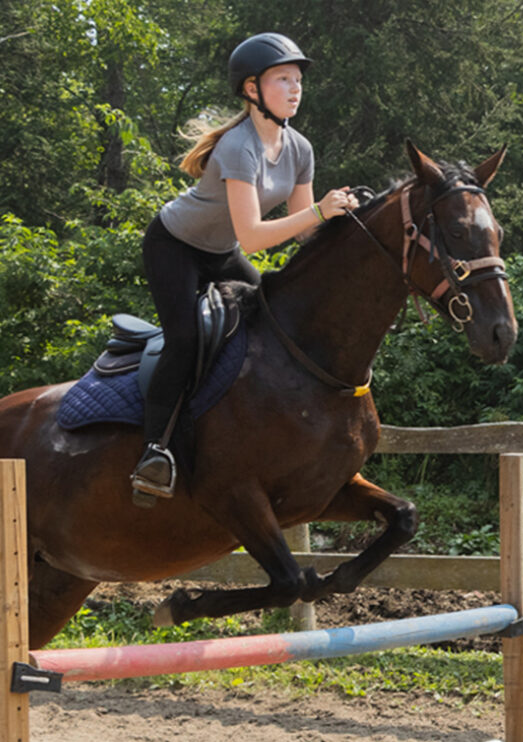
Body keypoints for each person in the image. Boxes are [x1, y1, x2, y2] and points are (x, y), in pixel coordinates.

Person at [131, 32, 359, 501]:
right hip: (174, 245)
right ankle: (155, 452)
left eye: (298, 80)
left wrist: (347, 222)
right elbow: (254, 237)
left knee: (274, 321)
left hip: (219, 252)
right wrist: (319, 209)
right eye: (283, 79)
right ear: (252, 89)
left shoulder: (300, 148)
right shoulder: (239, 147)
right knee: (185, 339)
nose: (295, 89)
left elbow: (303, 234)